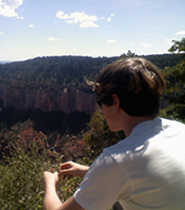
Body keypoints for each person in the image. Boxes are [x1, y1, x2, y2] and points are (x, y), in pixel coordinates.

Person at [42, 57, 185, 210]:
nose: (99, 109)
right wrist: (86, 171)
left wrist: (50, 184)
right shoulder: (179, 130)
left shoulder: (117, 160)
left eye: (100, 101)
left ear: (116, 102)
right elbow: (143, 175)